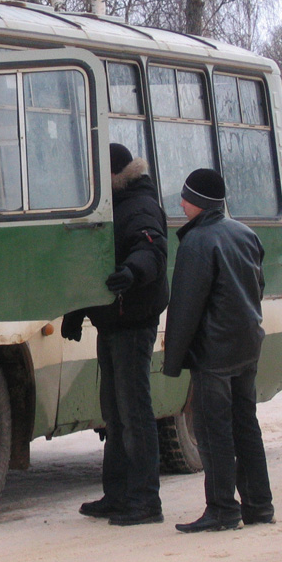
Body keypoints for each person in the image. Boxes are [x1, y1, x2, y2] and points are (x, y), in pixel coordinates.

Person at [163, 168, 275, 533]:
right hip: (247, 345)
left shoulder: (197, 243)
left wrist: (173, 357)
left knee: (213, 431)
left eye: (186, 198)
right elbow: (257, 285)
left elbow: (186, 307)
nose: (181, 203)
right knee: (246, 425)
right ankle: (259, 505)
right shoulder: (245, 233)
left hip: (214, 353)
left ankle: (223, 509)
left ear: (200, 203)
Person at [72, 143, 169, 526]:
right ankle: (117, 494)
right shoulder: (112, 206)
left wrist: (133, 272)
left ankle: (146, 500)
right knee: (114, 412)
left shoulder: (138, 206)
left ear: (113, 176)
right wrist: (79, 311)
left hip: (133, 321)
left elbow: (152, 249)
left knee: (134, 413)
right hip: (114, 321)